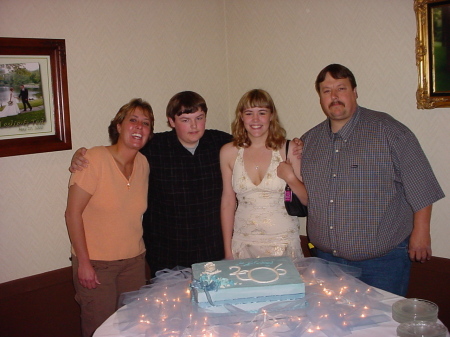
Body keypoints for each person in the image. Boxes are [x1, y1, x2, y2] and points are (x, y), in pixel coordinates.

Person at [300, 64, 445, 296]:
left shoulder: (389, 131)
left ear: (355, 91)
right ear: (320, 97)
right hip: (326, 262)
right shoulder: (310, 141)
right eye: (326, 91)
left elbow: (421, 185)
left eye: (341, 88)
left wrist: (421, 232)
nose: (334, 96)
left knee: (381, 329)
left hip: (383, 263)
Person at [70, 91, 232, 277]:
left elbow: (254, 144)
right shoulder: (154, 147)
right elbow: (120, 150)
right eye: (185, 119)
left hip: (212, 251)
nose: (194, 126)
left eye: (199, 118)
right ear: (171, 121)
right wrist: (81, 157)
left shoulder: (221, 143)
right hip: (167, 256)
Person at [65, 98, 154, 337]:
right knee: (100, 330)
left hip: (134, 263)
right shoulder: (93, 159)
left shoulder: (144, 163)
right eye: (132, 120)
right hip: (96, 265)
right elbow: (73, 214)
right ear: (118, 126)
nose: (139, 127)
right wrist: (83, 263)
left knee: (133, 328)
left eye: (145, 123)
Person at [220, 89, 307, 263]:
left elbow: (306, 199)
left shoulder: (289, 149)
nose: (255, 120)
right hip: (243, 244)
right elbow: (228, 202)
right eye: (249, 113)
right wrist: (228, 251)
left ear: (271, 116)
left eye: (262, 113)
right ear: (241, 117)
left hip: (283, 243)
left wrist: (290, 178)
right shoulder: (228, 152)